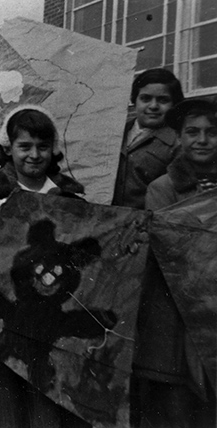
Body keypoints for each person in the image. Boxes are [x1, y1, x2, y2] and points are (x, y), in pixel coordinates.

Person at [0, 105, 89, 428]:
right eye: (24, 146)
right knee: (3, 408)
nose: (34, 155)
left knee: (47, 409)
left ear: (54, 150)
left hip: (51, 325)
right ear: (8, 148)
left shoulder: (70, 199)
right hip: (6, 321)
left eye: (42, 147)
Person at [133, 99, 217, 428]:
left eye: (212, 133)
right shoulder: (163, 188)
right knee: (175, 409)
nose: (202, 140)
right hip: (174, 316)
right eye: (192, 132)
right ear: (179, 137)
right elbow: (171, 249)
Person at [112, 68, 184, 209]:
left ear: (174, 104)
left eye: (163, 100)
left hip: (145, 224)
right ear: (134, 100)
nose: (153, 106)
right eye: (145, 98)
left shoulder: (178, 144)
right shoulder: (115, 133)